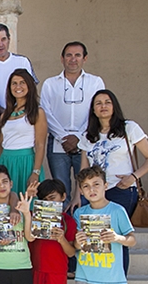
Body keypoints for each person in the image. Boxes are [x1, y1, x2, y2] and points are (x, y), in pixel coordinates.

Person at [77, 89, 148, 275]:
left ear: (114, 106)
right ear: (93, 110)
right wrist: (77, 196)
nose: (103, 106)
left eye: (107, 102)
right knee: (95, 238)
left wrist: (134, 177)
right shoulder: (88, 135)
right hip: (93, 194)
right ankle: (99, 279)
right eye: (98, 103)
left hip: (120, 191)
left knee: (117, 238)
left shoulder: (129, 127)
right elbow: (83, 171)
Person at [40, 42, 106, 209]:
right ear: (62, 59)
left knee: (86, 188)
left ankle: (82, 227)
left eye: (77, 55)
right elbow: (46, 113)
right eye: (69, 55)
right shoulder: (50, 83)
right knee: (61, 190)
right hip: (57, 144)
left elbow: (96, 111)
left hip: (86, 143)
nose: (73, 59)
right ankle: (64, 228)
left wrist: (79, 137)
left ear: (85, 58)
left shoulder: (95, 82)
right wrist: (63, 137)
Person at [0, 68, 48, 194]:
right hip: (6, 161)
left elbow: (40, 144)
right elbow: (1, 145)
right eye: (14, 83)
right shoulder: (5, 115)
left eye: (22, 82)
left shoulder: (37, 112)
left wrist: (36, 171)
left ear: (29, 85)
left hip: (26, 162)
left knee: (25, 201)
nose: (18, 86)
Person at [0, 23, 38, 111]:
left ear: (9, 40)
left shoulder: (23, 61)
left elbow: (32, 89)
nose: (0, 44)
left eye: (3, 39)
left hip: (21, 115)